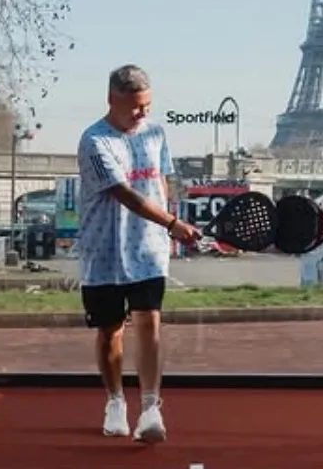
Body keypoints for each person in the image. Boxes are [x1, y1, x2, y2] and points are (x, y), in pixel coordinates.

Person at [75, 64, 202, 444]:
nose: (142, 113)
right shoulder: (94, 141)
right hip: (104, 250)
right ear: (112, 99)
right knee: (110, 330)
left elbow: (160, 181)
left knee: (150, 322)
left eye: (147, 105)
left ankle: (150, 407)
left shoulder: (156, 134)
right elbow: (126, 195)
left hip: (149, 248)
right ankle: (115, 400)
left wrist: (169, 224)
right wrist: (173, 224)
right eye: (134, 107)